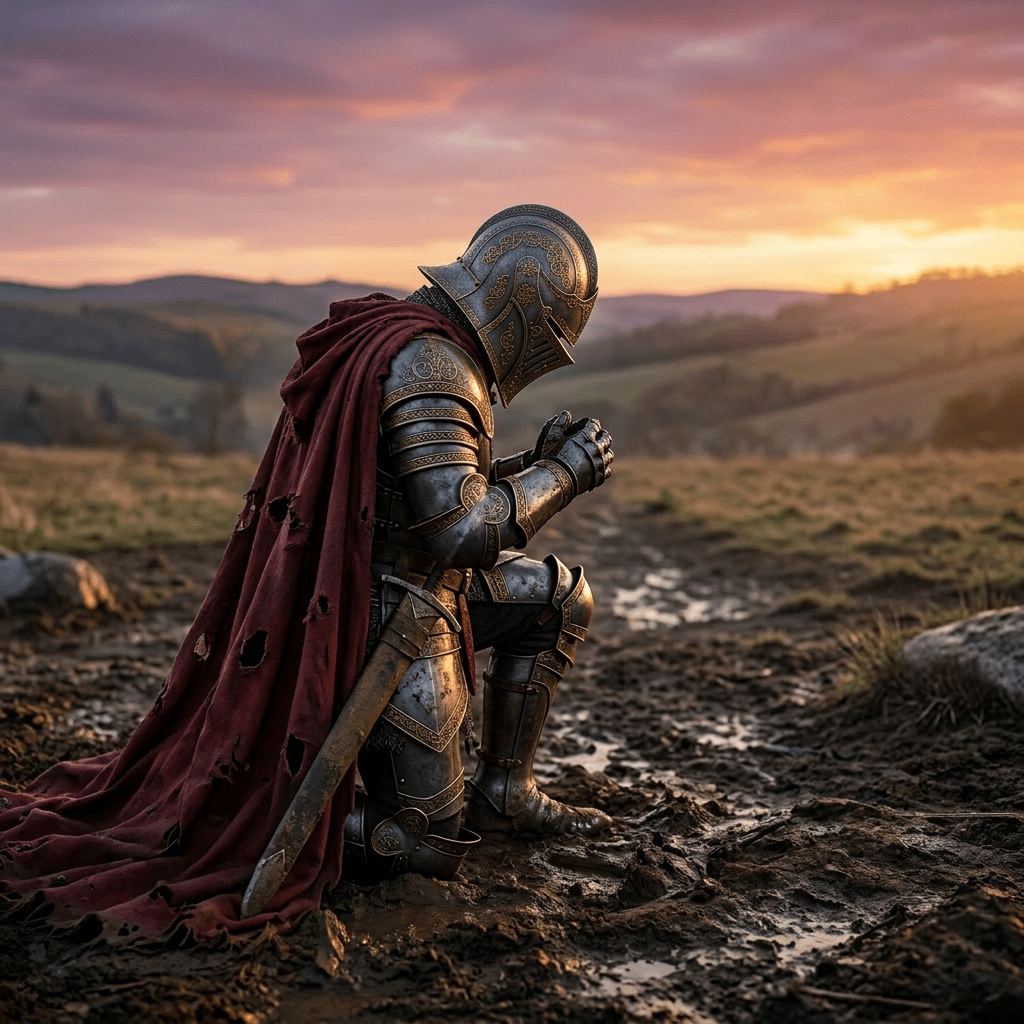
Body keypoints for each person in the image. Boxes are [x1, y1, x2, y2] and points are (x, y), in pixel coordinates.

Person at [0, 204, 613, 941]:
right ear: (525, 314)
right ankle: (272, 814)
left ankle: (506, 789)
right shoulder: (435, 365)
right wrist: (565, 473)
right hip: (382, 609)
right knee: (421, 840)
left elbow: (418, 499)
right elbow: (458, 530)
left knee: (559, 599)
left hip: (407, 580)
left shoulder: (420, 341)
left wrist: (524, 468)